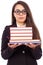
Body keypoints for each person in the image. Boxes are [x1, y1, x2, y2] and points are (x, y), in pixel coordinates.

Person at [1, 1, 42, 65]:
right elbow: (4, 56)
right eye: (17, 11)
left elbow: (38, 56)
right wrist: (11, 48)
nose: (21, 14)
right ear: (13, 14)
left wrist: (34, 48)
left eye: (23, 11)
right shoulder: (8, 29)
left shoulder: (33, 29)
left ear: (27, 13)